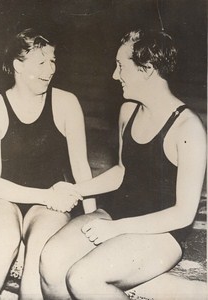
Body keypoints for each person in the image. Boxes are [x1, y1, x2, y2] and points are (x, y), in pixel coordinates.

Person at [39, 29, 206, 299]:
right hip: (117, 213)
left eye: (120, 66)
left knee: (83, 278)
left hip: (162, 233)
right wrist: (77, 189)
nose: (115, 76)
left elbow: (183, 214)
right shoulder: (128, 110)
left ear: (147, 69)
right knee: (51, 259)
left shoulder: (188, 129)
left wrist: (117, 229)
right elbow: (122, 171)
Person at [0, 28, 96, 300]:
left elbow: (81, 170)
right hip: (3, 198)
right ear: (18, 65)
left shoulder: (66, 103)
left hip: (47, 206)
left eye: (53, 60)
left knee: (39, 251)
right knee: (3, 241)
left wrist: (92, 220)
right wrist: (48, 195)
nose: (51, 69)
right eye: (41, 62)